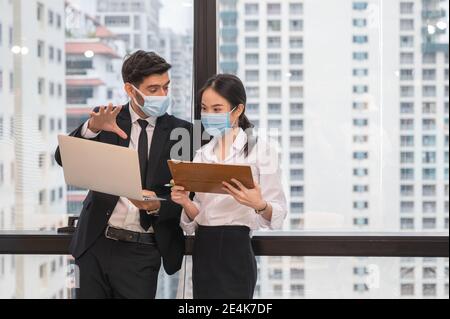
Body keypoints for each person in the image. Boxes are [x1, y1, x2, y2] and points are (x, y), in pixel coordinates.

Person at [55, 50, 192, 299]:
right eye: (153, 90)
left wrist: (156, 206)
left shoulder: (182, 133)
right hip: (95, 244)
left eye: (166, 87)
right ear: (130, 90)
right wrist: (92, 128)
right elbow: (62, 158)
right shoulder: (106, 120)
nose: (162, 95)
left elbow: (189, 195)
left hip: (142, 250)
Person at [171, 74, 287, 299]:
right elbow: (197, 218)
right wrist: (185, 202)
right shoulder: (201, 155)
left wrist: (260, 205)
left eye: (217, 109)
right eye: (204, 109)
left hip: (237, 247)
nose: (208, 115)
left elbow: (278, 213)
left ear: (237, 110)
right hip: (203, 247)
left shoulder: (261, 151)